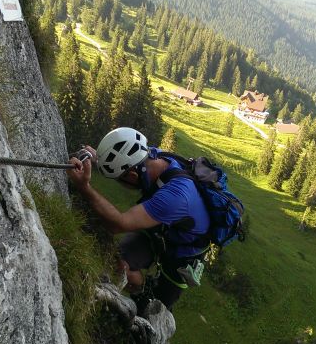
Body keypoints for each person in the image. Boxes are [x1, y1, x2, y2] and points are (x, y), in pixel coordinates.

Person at [67, 127, 210, 310]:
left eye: (119, 179)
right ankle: (140, 291)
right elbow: (125, 161)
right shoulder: (151, 156)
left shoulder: (174, 197)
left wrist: (84, 187)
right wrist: (99, 159)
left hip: (183, 252)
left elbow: (118, 224)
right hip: (160, 230)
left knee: (159, 307)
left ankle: (146, 301)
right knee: (120, 263)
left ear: (133, 176)